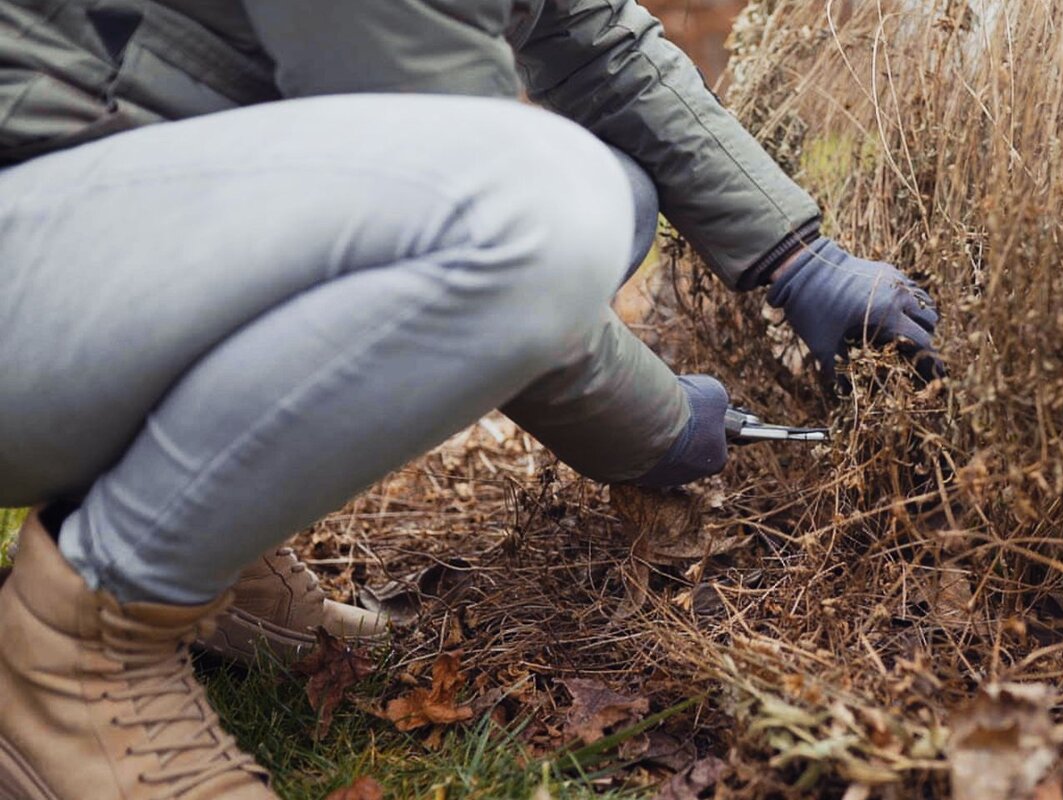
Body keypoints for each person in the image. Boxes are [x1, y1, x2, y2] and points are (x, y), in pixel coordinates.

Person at [0, 1, 941, 797]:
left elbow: (591, 37)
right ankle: (75, 651)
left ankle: (205, 554)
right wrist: (653, 424)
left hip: (83, 234)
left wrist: (799, 259)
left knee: (597, 194)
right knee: (541, 206)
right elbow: (445, 186)